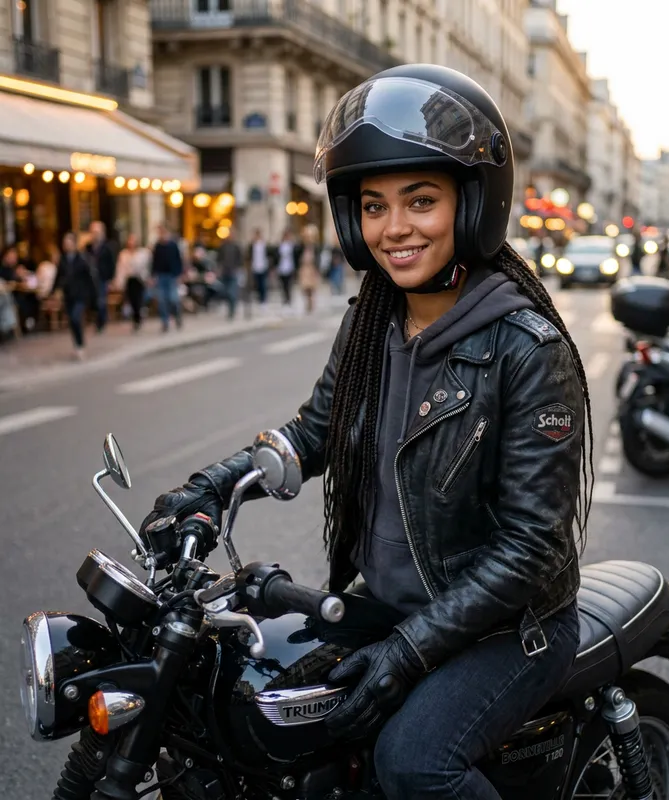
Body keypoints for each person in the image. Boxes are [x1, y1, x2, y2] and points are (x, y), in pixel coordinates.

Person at [139, 64, 591, 800]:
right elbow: (311, 433)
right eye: (374, 206)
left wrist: (409, 649)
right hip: (387, 606)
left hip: (510, 631)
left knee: (413, 764)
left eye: (420, 201)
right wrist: (211, 489)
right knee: (265, 715)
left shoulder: (527, 347)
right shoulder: (372, 320)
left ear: (473, 204)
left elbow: (533, 550)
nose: (394, 228)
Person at [51, 232, 95, 359]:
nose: (67, 245)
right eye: (65, 243)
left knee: (76, 317)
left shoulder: (82, 259)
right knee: (71, 320)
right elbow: (58, 277)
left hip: (80, 295)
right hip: (68, 295)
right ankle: (77, 345)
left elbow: (89, 278)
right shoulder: (63, 260)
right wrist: (54, 291)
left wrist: (92, 296)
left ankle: (80, 344)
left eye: (69, 242)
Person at [84, 221, 116, 333]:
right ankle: (96, 319)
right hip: (91, 279)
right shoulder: (88, 248)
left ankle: (101, 322)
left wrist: (111, 279)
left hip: (103, 277)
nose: (95, 234)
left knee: (101, 300)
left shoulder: (107, 247)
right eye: (93, 232)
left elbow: (111, 264)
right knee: (93, 300)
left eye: (97, 232)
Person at [151, 224, 184, 332]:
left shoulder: (173, 245)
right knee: (162, 301)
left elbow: (178, 260)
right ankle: (165, 322)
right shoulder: (157, 246)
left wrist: (179, 274)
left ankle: (177, 315)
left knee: (173, 299)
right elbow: (154, 262)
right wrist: (153, 275)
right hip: (161, 276)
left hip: (172, 276)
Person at [116, 234, 151, 331]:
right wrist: (119, 281)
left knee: (138, 300)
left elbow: (146, 267)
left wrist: (148, 278)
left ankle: (139, 318)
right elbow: (120, 269)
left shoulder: (143, 253)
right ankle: (136, 318)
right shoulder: (123, 254)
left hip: (139, 279)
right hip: (129, 279)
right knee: (131, 300)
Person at [216, 229, 244, 319]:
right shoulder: (223, 246)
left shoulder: (236, 247)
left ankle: (232, 311)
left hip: (233, 272)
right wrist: (219, 269)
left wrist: (237, 269)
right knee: (225, 292)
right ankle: (229, 309)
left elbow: (240, 260)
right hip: (225, 272)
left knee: (232, 292)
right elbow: (219, 258)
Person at [297, 223, 321, 313]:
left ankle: (311, 303)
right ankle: (307, 302)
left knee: (312, 287)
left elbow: (318, 258)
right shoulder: (301, 246)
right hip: (304, 268)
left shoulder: (315, 247)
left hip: (312, 268)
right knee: (304, 287)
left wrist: (317, 269)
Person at [248, 228, 270, 307]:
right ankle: (260, 299)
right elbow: (249, 256)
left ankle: (264, 300)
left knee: (263, 284)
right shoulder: (252, 245)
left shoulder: (264, 244)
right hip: (255, 267)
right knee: (257, 284)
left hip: (263, 266)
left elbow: (268, 254)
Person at [276, 229, 297, 309]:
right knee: (283, 285)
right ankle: (284, 299)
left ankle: (289, 299)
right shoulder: (280, 245)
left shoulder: (291, 245)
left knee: (289, 285)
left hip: (289, 267)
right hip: (281, 268)